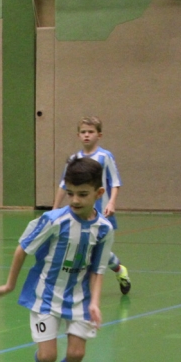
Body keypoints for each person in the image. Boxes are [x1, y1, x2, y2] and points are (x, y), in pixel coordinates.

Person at [0, 157, 115, 362]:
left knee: (76, 354)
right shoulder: (53, 221)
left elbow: (98, 269)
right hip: (45, 296)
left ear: (99, 193)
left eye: (83, 194)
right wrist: (9, 285)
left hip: (80, 299)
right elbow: (22, 249)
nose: (75, 200)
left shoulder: (104, 229)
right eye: (70, 193)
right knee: (48, 355)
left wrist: (95, 303)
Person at [52, 116, 129, 295]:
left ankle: (119, 269)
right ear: (78, 135)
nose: (87, 135)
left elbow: (115, 182)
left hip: (101, 212)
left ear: (99, 135)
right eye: (83, 132)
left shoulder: (105, 157)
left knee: (97, 249)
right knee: (82, 246)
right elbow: (64, 184)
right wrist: (55, 208)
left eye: (91, 132)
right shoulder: (74, 159)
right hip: (78, 212)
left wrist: (111, 202)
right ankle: (78, 284)